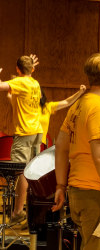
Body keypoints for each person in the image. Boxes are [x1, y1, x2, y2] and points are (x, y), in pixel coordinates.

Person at [52, 53, 100, 250]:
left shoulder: (78, 106)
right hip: (96, 193)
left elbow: (60, 146)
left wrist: (60, 185)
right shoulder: (99, 108)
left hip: (79, 190)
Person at [0, 54, 43, 224]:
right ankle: (31, 213)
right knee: (32, 172)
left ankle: (18, 211)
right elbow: (17, 99)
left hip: (24, 133)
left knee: (23, 172)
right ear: (32, 69)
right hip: (36, 132)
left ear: (17, 69)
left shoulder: (20, 82)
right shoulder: (35, 83)